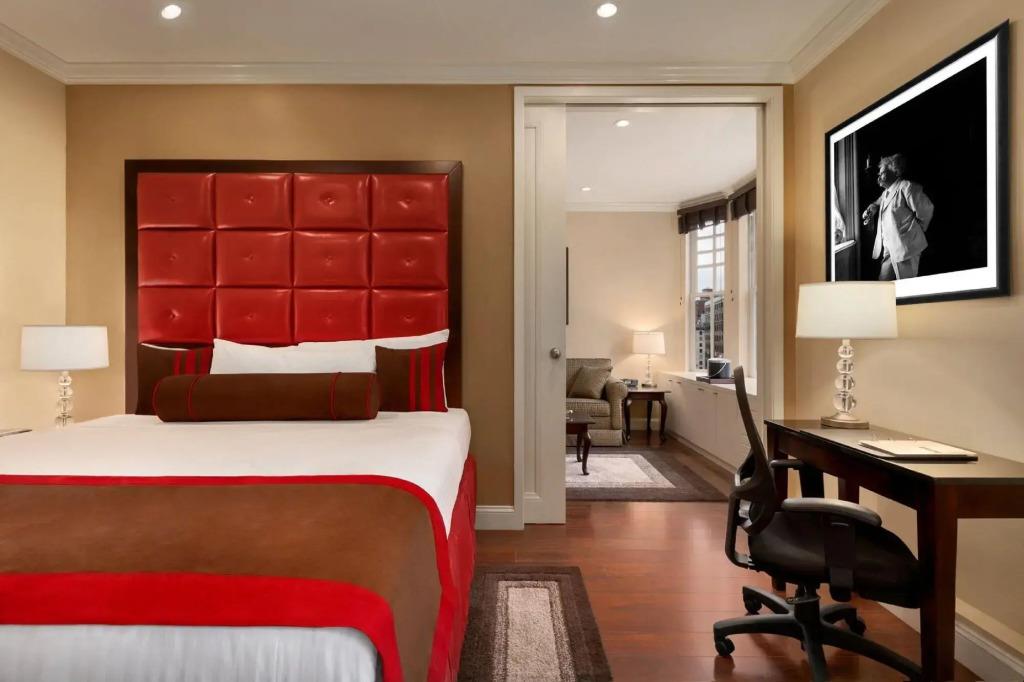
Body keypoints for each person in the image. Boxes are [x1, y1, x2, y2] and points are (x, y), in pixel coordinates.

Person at [861, 154, 934, 280]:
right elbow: (878, 202)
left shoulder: (906, 187)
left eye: (882, 173)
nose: (879, 176)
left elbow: (926, 209)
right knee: (884, 283)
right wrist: (872, 207)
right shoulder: (886, 193)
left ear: (895, 171)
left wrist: (915, 231)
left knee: (906, 286)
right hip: (889, 249)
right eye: (879, 174)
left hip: (906, 248)